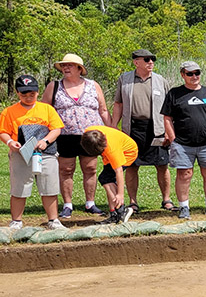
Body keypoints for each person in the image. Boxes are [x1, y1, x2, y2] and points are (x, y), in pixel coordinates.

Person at [43, 53, 109, 217]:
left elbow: (103, 110)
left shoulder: (93, 85)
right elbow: (45, 110)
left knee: (90, 168)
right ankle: (67, 205)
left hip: (90, 135)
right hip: (64, 135)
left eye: (70, 65)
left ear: (80, 69)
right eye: (63, 65)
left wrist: (111, 129)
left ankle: (90, 203)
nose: (65, 68)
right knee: (66, 169)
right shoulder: (55, 86)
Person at [111, 49, 171, 213]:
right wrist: (114, 126)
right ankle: (133, 201)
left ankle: (166, 199)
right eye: (147, 59)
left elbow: (168, 109)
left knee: (162, 165)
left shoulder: (161, 80)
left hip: (156, 128)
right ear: (136, 62)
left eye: (153, 59)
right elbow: (118, 104)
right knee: (131, 166)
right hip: (132, 129)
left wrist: (168, 130)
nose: (151, 62)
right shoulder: (125, 79)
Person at [162, 61, 206, 219]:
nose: (194, 76)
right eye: (190, 73)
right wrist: (173, 138)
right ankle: (184, 207)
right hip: (183, 144)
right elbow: (167, 117)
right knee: (184, 174)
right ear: (183, 75)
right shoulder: (174, 94)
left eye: (197, 73)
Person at [2, 75, 65, 230]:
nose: (28, 97)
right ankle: (16, 221)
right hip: (21, 153)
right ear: (17, 93)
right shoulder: (9, 111)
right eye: (24, 94)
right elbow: (3, 132)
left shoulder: (47, 109)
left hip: (46, 152)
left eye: (32, 94)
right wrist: (11, 142)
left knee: (49, 187)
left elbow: (56, 129)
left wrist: (45, 141)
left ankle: (53, 220)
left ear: (38, 92)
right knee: (19, 187)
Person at [80, 125, 138, 224]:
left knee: (106, 178)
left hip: (127, 152)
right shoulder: (88, 133)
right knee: (106, 179)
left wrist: (120, 195)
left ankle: (121, 210)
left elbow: (118, 171)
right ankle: (114, 213)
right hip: (112, 150)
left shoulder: (112, 149)